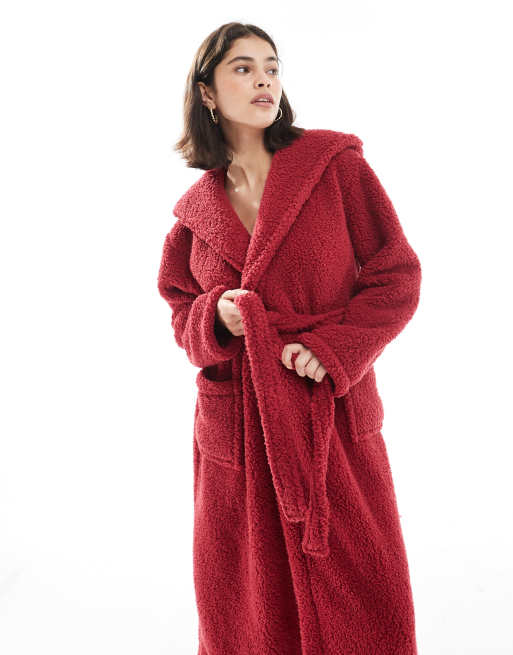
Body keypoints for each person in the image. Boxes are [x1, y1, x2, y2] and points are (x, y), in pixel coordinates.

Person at [158, 21, 421, 655]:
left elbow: (396, 275)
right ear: (207, 92)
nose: (264, 81)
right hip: (240, 431)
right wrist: (216, 318)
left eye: (271, 67)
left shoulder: (333, 166)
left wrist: (334, 351)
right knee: (248, 606)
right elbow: (179, 310)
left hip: (326, 412)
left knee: (364, 588)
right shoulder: (194, 215)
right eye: (244, 68)